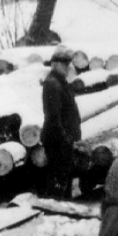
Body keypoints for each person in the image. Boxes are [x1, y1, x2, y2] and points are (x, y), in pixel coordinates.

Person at [41, 50, 82, 200]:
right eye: (63, 65)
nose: (67, 68)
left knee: (64, 177)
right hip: (57, 139)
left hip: (63, 138)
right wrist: (64, 137)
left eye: (67, 65)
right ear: (55, 65)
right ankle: (56, 205)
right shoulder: (53, 84)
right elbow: (53, 115)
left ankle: (61, 202)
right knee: (59, 178)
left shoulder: (60, 82)